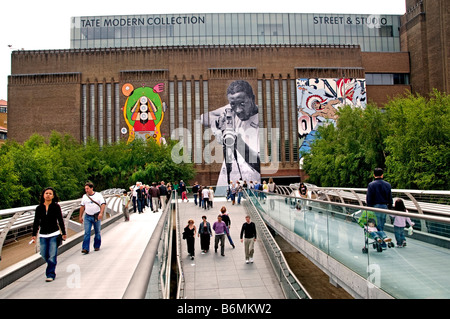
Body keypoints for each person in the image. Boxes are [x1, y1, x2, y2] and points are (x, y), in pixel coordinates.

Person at [31, 187, 67, 282]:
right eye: (46, 193)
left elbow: (60, 219)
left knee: (52, 254)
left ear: (53, 196)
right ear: (43, 195)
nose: (48, 195)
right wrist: (34, 234)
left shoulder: (56, 206)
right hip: (43, 235)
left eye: (50, 193)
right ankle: (51, 264)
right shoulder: (39, 208)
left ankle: (50, 274)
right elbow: (36, 222)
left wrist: (63, 232)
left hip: (54, 234)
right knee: (43, 253)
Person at [79, 181, 106, 254]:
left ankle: (97, 246)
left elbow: (103, 204)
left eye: (87, 189)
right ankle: (85, 248)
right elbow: (82, 206)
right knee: (87, 232)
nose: (86, 190)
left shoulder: (98, 195)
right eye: (85, 189)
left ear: (91, 188)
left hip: (96, 216)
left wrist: (101, 213)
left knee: (97, 232)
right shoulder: (84, 196)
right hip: (87, 216)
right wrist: (80, 216)